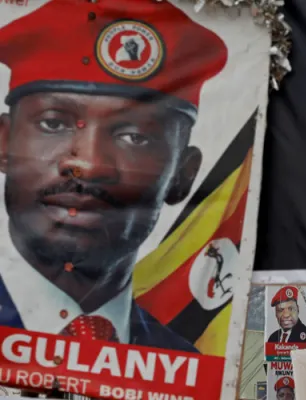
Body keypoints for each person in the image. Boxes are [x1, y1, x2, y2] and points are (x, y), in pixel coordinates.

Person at [0, 0, 227, 351]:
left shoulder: (189, 371)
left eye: (134, 137)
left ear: (182, 176)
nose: (88, 163)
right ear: (3, 144)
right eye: (53, 123)